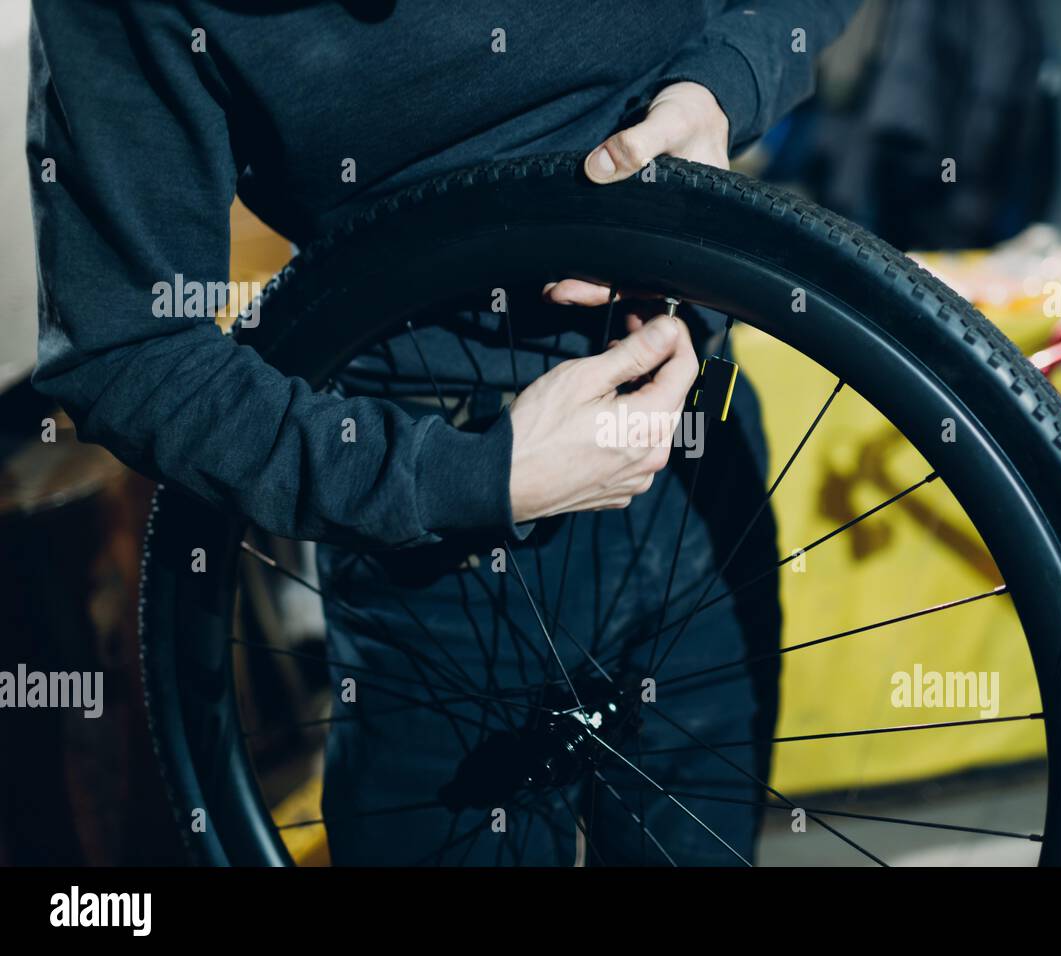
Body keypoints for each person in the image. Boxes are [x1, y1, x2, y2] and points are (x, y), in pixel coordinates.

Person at [28, 1, 861, 864]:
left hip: (698, 466)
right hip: (431, 543)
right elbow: (128, 350)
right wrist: (462, 478)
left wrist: (719, 86)